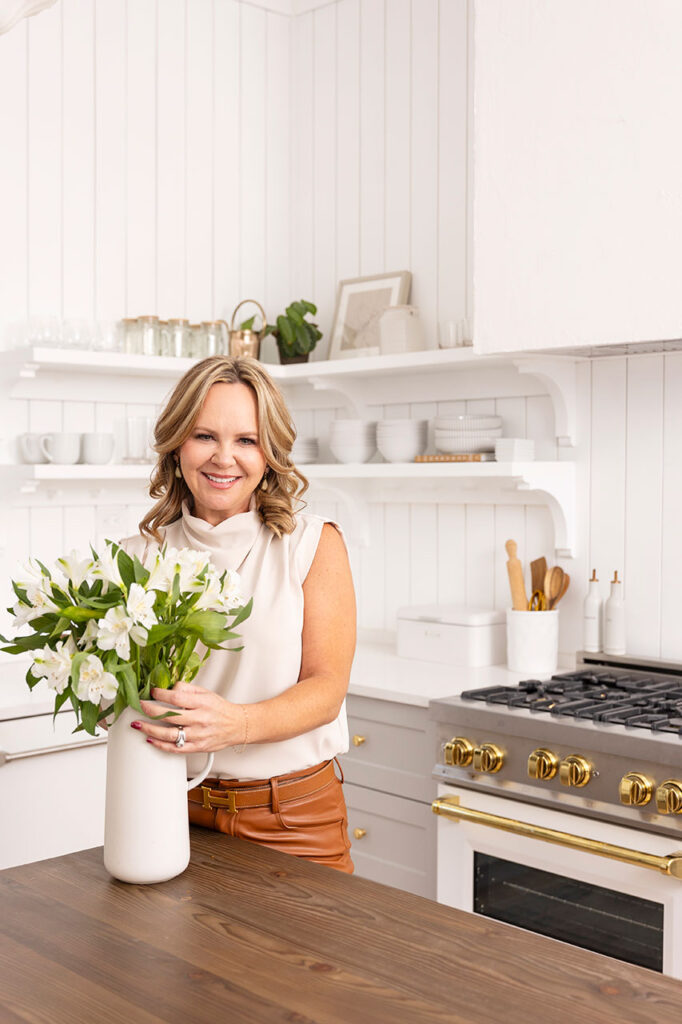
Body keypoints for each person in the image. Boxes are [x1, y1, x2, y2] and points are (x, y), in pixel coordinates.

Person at [121, 355, 356, 873]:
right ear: (176, 444)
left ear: (269, 454)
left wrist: (238, 724)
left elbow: (326, 688)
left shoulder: (312, 545)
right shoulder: (136, 558)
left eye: (246, 440)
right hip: (168, 811)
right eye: (205, 436)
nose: (224, 458)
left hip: (293, 820)